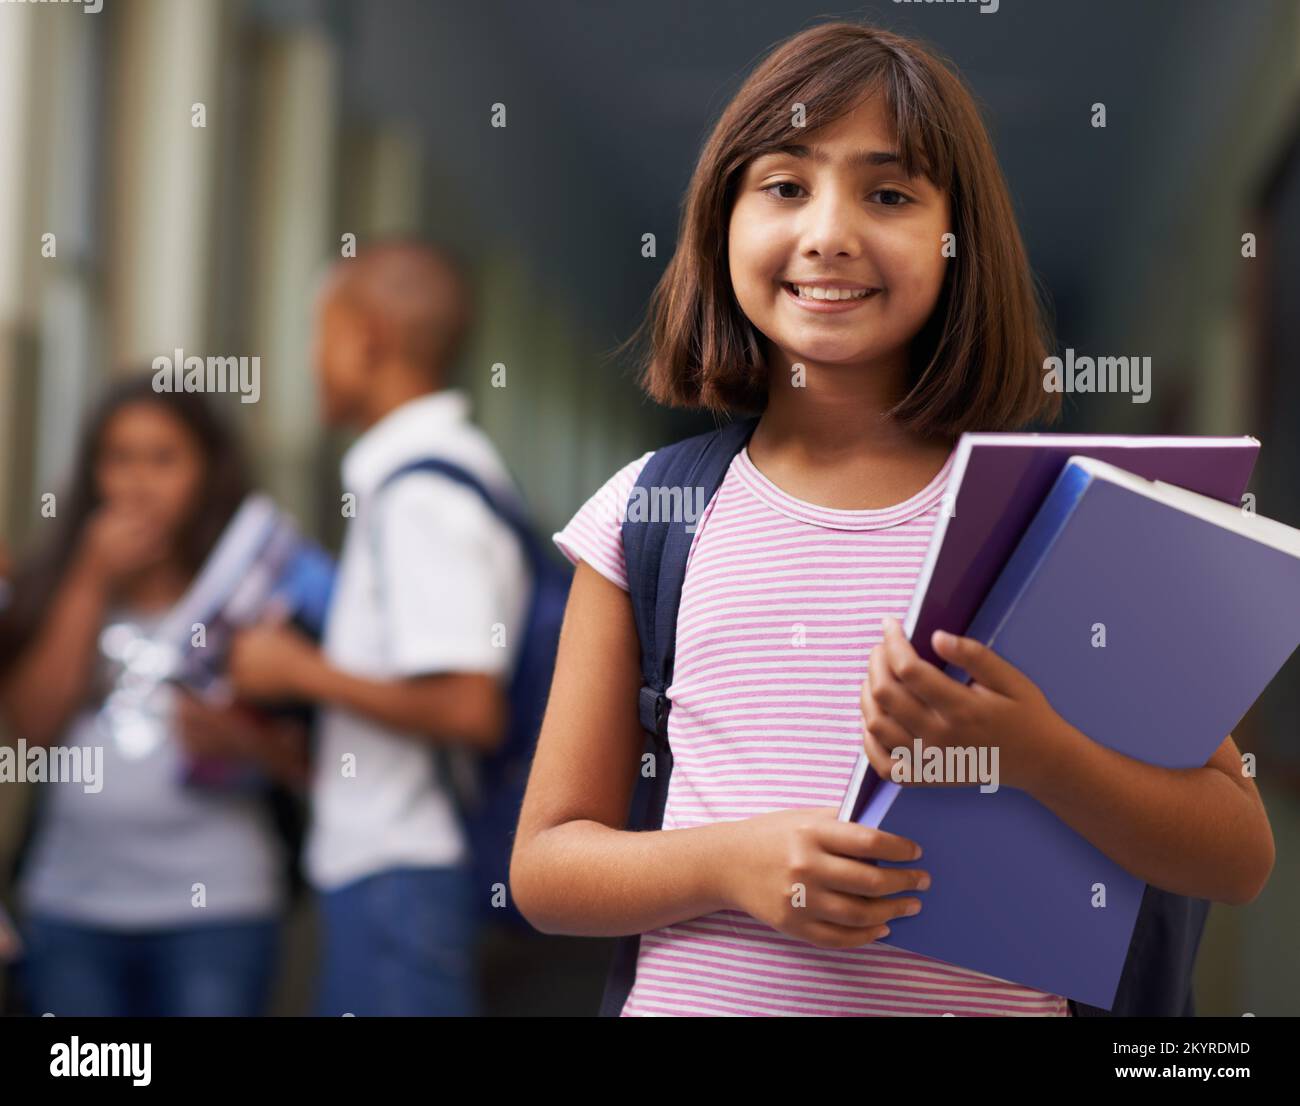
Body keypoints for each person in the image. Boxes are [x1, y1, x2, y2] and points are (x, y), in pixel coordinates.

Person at [509, 21, 1275, 1016]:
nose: (829, 232)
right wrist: (730, 861)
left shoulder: (1057, 520)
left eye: (889, 193)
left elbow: (1234, 850)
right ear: (719, 222)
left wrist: (1035, 752)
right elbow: (546, 865)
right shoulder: (650, 511)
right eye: (784, 186)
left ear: (961, 241)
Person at [227, 240, 529, 1016]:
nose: (310, 360)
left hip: (405, 874)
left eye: (318, 334)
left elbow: (469, 707)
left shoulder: (423, 495)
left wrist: (295, 670)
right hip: (394, 869)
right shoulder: (422, 479)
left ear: (367, 338)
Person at [0, 377, 303, 1016]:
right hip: (72, 907)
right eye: (119, 459)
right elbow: (28, 732)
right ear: (92, 472)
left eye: (163, 459)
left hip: (218, 908)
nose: (139, 483)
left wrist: (246, 743)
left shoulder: (257, 595)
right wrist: (88, 579)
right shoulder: (55, 583)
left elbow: (314, 761)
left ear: (207, 472)